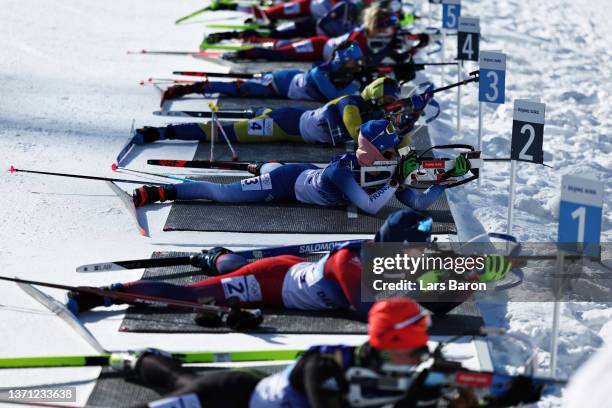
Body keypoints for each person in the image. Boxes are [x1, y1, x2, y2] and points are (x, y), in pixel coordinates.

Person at [66, 209, 509, 318]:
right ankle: (108, 295)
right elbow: (369, 312)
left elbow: (435, 299)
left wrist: (465, 277)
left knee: (226, 267)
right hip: (272, 283)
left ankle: (212, 255)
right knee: (197, 297)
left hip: (294, 268)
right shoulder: (356, 263)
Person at [108, 297, 473, 408]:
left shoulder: (406, 368)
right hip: (229, 398)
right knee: (179, 383)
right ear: (393, 344)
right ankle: (138, 359)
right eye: (415, 346)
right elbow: (315, 376)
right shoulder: (330, 364)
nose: (422, 353)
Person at [132, 119, 464, 215]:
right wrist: (395, 182)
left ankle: (260, 166)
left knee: (272, 168)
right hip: (286, 184)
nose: (398, 152)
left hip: (303, 171)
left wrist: (440, 186)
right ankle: (162, 190)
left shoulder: (385, 169)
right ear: (374, 149)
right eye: (391, 148)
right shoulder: (345, 173)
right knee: (222, 195)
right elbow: (368, 208)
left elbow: (418, 203)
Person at [135, 77, 434, 146]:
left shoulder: (372, 112)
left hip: (295, 123)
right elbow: (360, 136)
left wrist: (411, 117)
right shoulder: (352, 103)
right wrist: (402, 119)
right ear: (377, 98)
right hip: (286, 125)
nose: (389, 107)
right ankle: (163, 132)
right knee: (230, 134)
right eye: (389, 102)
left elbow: (397, 142)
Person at [161, 41, 364, 105]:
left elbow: (349, 93)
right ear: (344, 60)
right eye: (354, 62)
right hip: (277, 83)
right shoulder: (321, 73)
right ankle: (190, 88)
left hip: (284, 85)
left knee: (239, 88)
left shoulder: (343, 76)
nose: (357, 66)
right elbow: (334, 96)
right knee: (238, 89)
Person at [221, 3, 429, 63]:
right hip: (319, 44)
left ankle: (245, 42)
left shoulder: (375, 39)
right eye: (389, 25)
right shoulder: (361, 35)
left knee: (279, 46)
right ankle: (241, 47)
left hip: (322, 51)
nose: (391, 29)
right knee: (279, 48)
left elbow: (396, 58)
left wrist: (417, 47)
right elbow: (369, 57)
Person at [204, 1, 362, 42]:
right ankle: (227, 6)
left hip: (309, 25)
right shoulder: (348, 6)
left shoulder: (357, 25)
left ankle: (239, 32)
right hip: (307, 9)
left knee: (275, 35)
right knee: (268, 13)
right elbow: (326, 21)